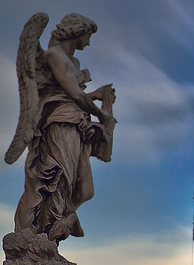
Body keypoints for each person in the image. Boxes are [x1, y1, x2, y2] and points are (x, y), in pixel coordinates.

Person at [10, 13, 116, 242]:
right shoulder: (54, 56)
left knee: (85, 189)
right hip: (59, 123)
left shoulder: (73, 62)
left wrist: (96, 97)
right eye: (88, 36)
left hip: (78, 124)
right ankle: (43, 233)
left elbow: (72, 93)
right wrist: (102, 114)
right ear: (77, 31)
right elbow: (75, 95)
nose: (88, 43)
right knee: (58, 181)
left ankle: (60, 222)